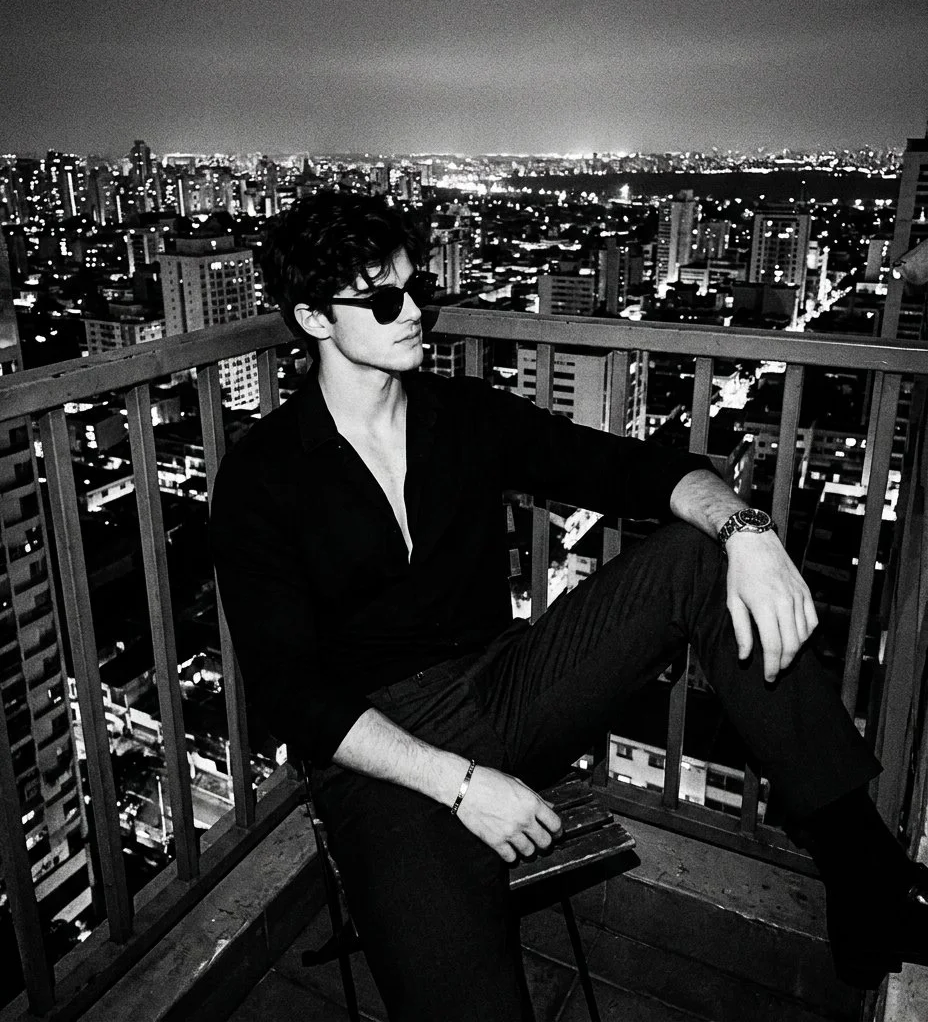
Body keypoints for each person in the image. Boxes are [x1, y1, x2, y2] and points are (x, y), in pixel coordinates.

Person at [209, 191, 927, 1021]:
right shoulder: (263, 476)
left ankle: (865, 875)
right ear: (312, 319)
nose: (413, 313)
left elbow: (633, 471)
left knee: (698, 552)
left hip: (506, 687)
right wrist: (462, 784)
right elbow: (291, 691)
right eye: (382, 298)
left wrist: (747, 529)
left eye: (417, 289)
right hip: (381, 756)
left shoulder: (464, 418)